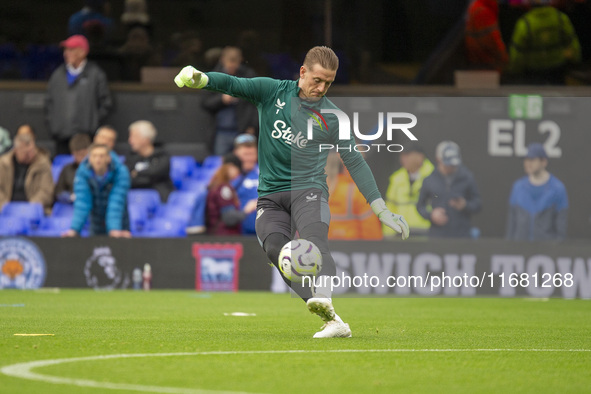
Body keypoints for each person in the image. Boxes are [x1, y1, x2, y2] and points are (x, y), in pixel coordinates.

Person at [175, 46, 410, 338]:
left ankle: (324, 296)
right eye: (317, 79)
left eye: (329, 83)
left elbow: (354, 161)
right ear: (302, 72)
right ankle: (334, 321)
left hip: (308, 189)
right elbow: (234, 85)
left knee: (314, 240)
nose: (321, 88)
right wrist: (202, 80)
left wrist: (380, 209)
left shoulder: (332, 116)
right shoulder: (270, 92)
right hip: (271, 195)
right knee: (275, 249)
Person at [45, 34, 112, 155]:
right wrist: (54, 125)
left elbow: (106, 103)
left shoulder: (96, 74)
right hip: (61, 137)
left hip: (86, 138)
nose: (66, 53)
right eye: (65, 50)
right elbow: (49, 103)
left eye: (71, 50)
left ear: (83, 52)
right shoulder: (57, 75)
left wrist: (92, 122)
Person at [63, 143, 131, 238]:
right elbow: (82, 202)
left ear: (108, 158)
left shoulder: (121, 172)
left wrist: (114, 229)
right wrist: (74, 229)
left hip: (119, 225)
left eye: (101, 156)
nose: (98, 160)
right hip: (96, 225)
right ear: (90, 159)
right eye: (94, 156)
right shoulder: (82, 173)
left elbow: (116, 202)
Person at [417, 141, 481, 238]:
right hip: (437, 235)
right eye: (447, 164)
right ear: (438, 159)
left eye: (454, 165)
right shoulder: (429, 180)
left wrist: (465, 205)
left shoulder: (467, 177)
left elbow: (478, 204)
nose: (451, 167)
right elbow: (420, 206)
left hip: (462, 235)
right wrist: (431, 215)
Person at [202, 46, 259, 155]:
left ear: (240, 61)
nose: (232, 66)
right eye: (230, 62)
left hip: (242, 130)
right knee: (220, 164)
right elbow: (205, 102)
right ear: (222, 60)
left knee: (245, 162)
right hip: (220, 131)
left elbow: (256, 103)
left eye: (235, 63)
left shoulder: (248, 76)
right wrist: (222, 99)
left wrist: (252, 126)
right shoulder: (212, 77)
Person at [506, 143, 568, 241]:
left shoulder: (557, 189)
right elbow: (512, 223)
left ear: (544, 162)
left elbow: (561, 225)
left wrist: (558, 250)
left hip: (546, 251)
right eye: (526, 160)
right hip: (520, 249)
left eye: (532, 160)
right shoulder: (518, 187)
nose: (527, 163)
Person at [509, 3, 581, 84]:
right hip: (558, 68)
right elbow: (572, 42)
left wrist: (514, 70)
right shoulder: (561, 18)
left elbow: (517, 53)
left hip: (532, 71)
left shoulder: (525, 23)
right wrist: (575, 60)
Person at [326, 153, 382, 240]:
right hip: (353, 249)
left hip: (322, 250)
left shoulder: (314, 192)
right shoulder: (355, 192)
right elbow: (371, 232)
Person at [384, 142, 434, 237]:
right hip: (401, 234)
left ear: (420, 157)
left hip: (426, 233)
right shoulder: (396, 179)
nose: (403, 159)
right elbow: (389, 209)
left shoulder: (434, 177)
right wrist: (388, 235)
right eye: (402, 155)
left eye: (407, 155)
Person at [0, 130, 54, 215]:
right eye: (26, 153)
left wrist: (28, 209)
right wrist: (6, 207)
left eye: (32, 150)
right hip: (6, 209)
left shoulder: (43, 163)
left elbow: (46, 191)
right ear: (16, 150)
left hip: (34, 210)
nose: (31, 155)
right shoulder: (3, 164)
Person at [206, 153, 258, 235]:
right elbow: (229, 218)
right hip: (225, 238)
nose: (238, 175)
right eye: (237, 170)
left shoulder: (216, 185)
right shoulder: (224, 188)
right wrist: (247, 210)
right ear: (231, 167)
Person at [125, 120, 173, 202]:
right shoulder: (131, 158)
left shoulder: (162, 156)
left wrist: (137, 173)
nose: (130, 141)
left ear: (145, 139)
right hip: (134, 198)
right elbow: (126, 177)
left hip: (159, 200)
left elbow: (156, 174)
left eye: (134, 136)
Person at [465, 0, 509, 71]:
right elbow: (493, 43)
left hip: (481, 66)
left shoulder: (480, 7)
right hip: (487, 68)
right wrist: (506, 62)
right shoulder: (483, 12)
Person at [232, 134, 259, 235]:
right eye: (245, 154)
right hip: (239, 233)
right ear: (236, 153)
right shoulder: (230, 176)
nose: (249, 158)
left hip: (265, 233)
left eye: (252, 154)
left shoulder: (267, 173)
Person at [54, 133, 92, 204]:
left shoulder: (95, 169)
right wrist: (70, 197)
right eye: (77, 154)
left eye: (83, 154)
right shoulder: (67, 169)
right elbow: (58, 192)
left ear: (89, 152)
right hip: (70, 205)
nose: (81, 158)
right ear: (72, 154)